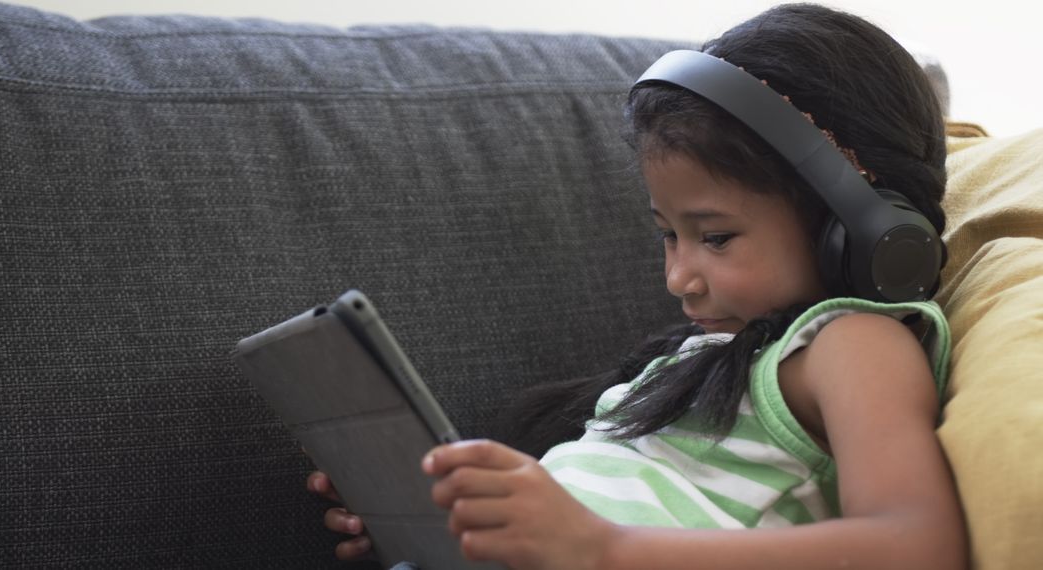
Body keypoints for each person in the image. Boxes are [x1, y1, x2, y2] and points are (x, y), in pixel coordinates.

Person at [307, 4, 968, 569]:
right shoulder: (704, 359)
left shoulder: (852, 342)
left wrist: (605, 548)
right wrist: (449, 518)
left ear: (860, 230)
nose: (678, 277)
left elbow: (919, 548)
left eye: (714, 237)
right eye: (668, 235)